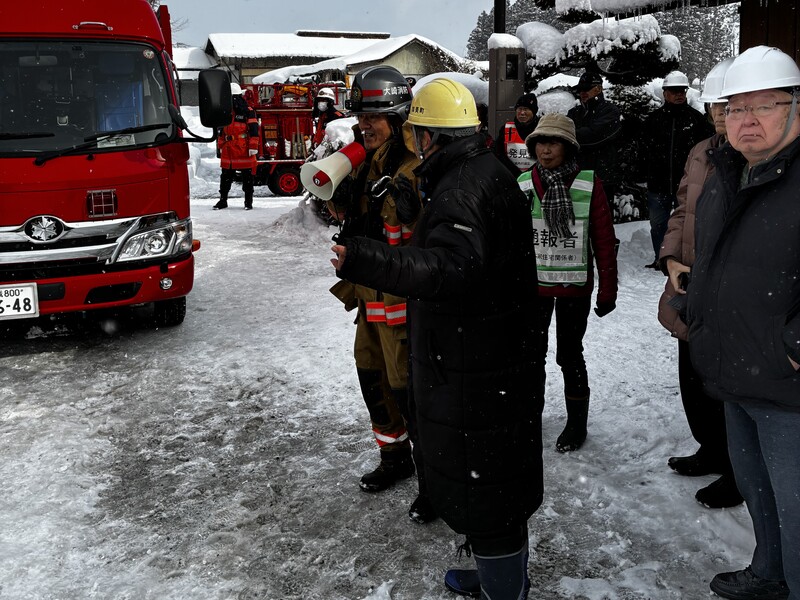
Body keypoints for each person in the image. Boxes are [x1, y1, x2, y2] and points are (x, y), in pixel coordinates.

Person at [331, 78, 542, 599]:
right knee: (495, 482)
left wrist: (364, 258)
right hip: (490, 349)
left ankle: (503, 588)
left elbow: (452, 268)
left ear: (427, 136)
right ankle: (503, 576)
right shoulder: (482, 171)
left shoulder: (461, 187)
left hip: (477, 356)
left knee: (488, 487)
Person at [686, 45, 800, 600]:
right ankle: (769, 574)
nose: (746, 120)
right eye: (735, 108)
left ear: (796, 109)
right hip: (734, 376)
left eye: (765, 106)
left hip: (789, 388)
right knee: (760, 496)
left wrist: (793, 346)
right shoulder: (725, 174)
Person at [326, 65, 435, 523]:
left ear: (398, 116)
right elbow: (352, 217)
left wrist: (411, 205)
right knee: (372, 377)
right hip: (369, 292)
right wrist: (334, 192)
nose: (365, 125)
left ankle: (433, 480)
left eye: (375, 117)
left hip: (402, 296)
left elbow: (426, 238)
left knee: (409, 388)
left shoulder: (416, 165)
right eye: (360, 116)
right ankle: (395, 459)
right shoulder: (362, 159)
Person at [656, 58, 743, 510]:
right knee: (691, 374)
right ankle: (710, 448)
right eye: (713, 106)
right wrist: (671, 257)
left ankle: (737, 469)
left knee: (725, 382)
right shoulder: (700, 151)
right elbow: (680, 210)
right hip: (688, 281)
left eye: (727, 106)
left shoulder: (751, 158)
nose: (720, 115)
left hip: (728, 289)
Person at [518, 113, 618, 453]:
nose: (546, 151)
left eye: (554, 143)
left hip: (574, 286)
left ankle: (576, 424)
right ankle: (529, 415)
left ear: (568, 147)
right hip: (534, 288)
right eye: (541, 143)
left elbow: (604, 241)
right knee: (531, 355)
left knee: (570, 355)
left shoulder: (589, 184)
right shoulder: (524, 183)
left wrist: (608, 289)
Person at [638, 70, 713, 267]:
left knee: (689, 223)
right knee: (658, 224)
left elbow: (707, 150)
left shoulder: (697, 120)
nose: (679, 94)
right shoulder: (653, 120)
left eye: (682, 90)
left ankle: (686, 258)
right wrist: (644, 173)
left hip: (688, 183)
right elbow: (643, 150)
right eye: (674, 91)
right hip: (658, 183)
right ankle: (661, 258)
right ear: (665, 93)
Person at [567, 71, 622, 211]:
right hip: (576, 176)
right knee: (578, 222)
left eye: (586, 89)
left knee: (602, 223)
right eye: (580, 90)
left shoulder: (610, 111)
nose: (582, 93)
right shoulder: (575, 112)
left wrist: (572, 136)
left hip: (602, 178)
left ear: (598, 89)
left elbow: (593, 136)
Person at [214, 82, 259, 211]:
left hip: (243, 149)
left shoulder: (248, 112)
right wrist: (221, 145)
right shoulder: (225, 112)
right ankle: (223, 200)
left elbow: (254, 131)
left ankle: (248, 202)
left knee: (247, 177)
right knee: (225, 177)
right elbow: (221, 131)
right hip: (228, 150)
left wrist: (253, 146)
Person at [495, 92, 540, 177]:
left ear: (533, 111)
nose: (522, 113)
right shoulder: (506, 128)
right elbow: (498, 153)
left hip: (535, 177)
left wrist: (530, 173)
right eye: (519, 109)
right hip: (509, 177)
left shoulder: (541, 129)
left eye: (526, 109)